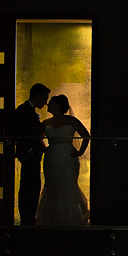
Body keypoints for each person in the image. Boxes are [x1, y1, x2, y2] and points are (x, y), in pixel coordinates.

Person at [34, 94, 91, 226]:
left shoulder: (72, 121)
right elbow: (39, 138)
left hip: (68, 157)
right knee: (52, 185)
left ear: (58, 105)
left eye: (51, 103)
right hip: (52, 158)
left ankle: (71, 217)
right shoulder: (46, 123)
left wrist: (80, 152)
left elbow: (86, 135)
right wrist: (46, 149)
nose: (48, 105)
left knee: (68, 185)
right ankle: (53, 218)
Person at [12, 83, 50, 226]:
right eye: (45, 98)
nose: (45, 102)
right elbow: (20, 132)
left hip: (32, 156)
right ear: (38, 95)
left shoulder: (27, 110)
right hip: (29, 156)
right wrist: (29, 150)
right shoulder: (23, 111)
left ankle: (28, 216)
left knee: (31, 184)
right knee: (29, 185)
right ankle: (27, 217)